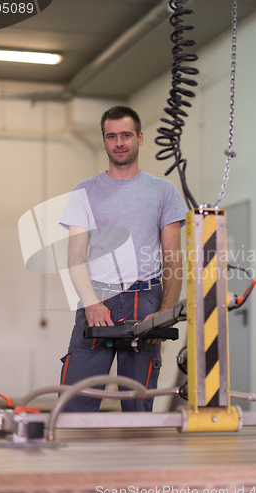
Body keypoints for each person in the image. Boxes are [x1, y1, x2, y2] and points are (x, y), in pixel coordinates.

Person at [59, 105, 187, 412]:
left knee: (138, 403)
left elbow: (172, 257)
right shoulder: (84, 191)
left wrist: (165, 312)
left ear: (140, 138)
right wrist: (90, 302)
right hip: (97, 298)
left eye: (126, 135)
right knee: (77, 400)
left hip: (146, 300)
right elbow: (75, 253)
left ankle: (141, 459)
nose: (119, 142)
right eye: (112, 136)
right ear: (104, 141)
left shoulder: (164, 191)